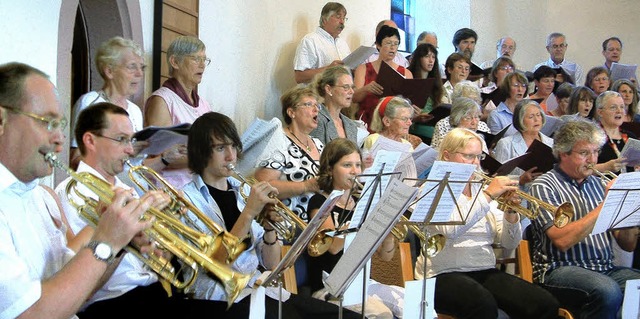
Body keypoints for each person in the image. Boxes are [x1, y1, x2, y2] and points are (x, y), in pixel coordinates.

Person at [0, 62, 155, 319]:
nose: (60, 139)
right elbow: (29, 314)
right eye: (47, 122)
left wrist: (122, 244)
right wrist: (104, 242)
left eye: (60, 125)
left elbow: (79, 294)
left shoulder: (40, 198)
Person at [56, 102, 230, 318]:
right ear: (90, 140)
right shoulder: (72, 194)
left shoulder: (126, 188)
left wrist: (167, 234)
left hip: (153, 291)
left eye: (130, 140)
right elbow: (82, 287)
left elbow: (155, 257)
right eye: (121, 139)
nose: (130, 149)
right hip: (114, 303)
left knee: (243, 311)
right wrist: (123, 238)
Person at [181, 112, 361, 319]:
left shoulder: (241, 190)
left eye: (233, 146)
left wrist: (269, 229)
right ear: (201, 152)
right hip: (219, 299)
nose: (231, 156)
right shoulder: (188, 200)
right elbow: (214, 264)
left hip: (258, 290)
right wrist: (249, 213)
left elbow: (272, 264)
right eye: (221, 148)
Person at [415, 128, 559, 319]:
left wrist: (511, 212)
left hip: (483, 270)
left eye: (478, 157)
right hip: (441, 274)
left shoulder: (480, 189)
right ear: (447, 156)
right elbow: (450, 230)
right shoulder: (432, 187)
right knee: (483, 304)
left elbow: (509, 243)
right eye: (468, 156)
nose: (475, 163)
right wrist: (489, 195)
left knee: (544, 303)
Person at [529, 119, 640, 318]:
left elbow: (627, 245)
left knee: (637, 286)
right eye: (584, 153)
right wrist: (606, 204)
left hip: (603, 268)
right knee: (607, 290)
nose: (592, 160)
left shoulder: (597, 183)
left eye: (596, 152)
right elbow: (562, 240)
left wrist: (629, 209)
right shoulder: (544, 185)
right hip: (559, 269)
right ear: (563, 153)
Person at [305, 138, 402, 319]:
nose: (354, 171)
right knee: (382, 314)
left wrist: (388, 234)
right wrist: (360, 222)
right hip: (330, 287)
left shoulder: (360, 203)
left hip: (362, 283)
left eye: (358, 165)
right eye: (347, 165)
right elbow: (333, 248)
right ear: (330, 169)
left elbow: (386, 256)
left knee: (411, 306)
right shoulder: (320, 202)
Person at [144, 35, 214, 189]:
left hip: (199, 186)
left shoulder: (204, 104)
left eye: (205, 59)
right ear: (175, 62)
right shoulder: (162, 100)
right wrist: (210, 158)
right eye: (196, 59)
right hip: (171, 189)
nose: (202, 65)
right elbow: (161, 155)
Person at [69, 37, 145, 168]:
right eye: (132, 67)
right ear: (109, 71)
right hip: (104, 187)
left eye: (142, 67)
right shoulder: (91, 103)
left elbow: (138, 168)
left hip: (133, 187)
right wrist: (125, 152)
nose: (139, 74)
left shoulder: (135, 110)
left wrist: (165, 159)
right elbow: (76, 160)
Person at [255, 87, 322, 222]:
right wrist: (306, 186)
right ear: (291, 112)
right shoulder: (279, 140)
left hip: (317, 222)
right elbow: (263, 184)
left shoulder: (319, 144)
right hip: (288, 223)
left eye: (317, 105)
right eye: (308, 104)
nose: (316, 110)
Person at [353, 25, 413, 130]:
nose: (392, 47)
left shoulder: (406, 73)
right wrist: (366, 89)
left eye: (396, 44)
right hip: (368, 121)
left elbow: (410, 101)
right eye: (388, 43)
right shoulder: (363, 69)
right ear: (378, 45)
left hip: (395, 125)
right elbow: (353, 98)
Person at [493, 100, 553, 190]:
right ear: (520, 120)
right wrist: (520, 179)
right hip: (518, 198)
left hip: (546, 194)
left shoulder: (551, 142)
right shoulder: (506, 144)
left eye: (538, 115)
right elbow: (497, 178)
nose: (536, 120)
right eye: (531, 117)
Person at [293, 2, 350, 84]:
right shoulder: (310, 41)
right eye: (338, 17)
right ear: (324, 20)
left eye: (344, 18)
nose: (342, 22)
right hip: (318, 96)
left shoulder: (343, 43)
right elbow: (299, 77)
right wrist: (328, 70)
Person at [309, 65, 359, 145]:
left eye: (352, 87)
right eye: (346, 87)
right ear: (329, 89)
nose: (351, 91)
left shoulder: (351, 125)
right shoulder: (316, 120)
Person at [407, 43, 445, 144]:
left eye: (433, 57)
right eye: (427, 56)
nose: (431, 60)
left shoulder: (436, 84)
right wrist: (415, 117)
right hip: (414, 127)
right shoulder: (409, 80)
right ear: (418, 58)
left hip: (433, 126)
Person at [594, 91, 634, 175]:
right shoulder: (593, 137)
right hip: (602, 186)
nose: (619, 111)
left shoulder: (631, 137)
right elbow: (581, 168)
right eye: (613, 107)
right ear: (600, 112)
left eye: (622, 107)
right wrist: (605, 167)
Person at [487, 71, 529, 137]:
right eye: (516, 85)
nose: (520, 89)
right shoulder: (496, 115)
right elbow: (495, 144)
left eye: (523, 86)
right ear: (507, 88)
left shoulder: (528, 111)